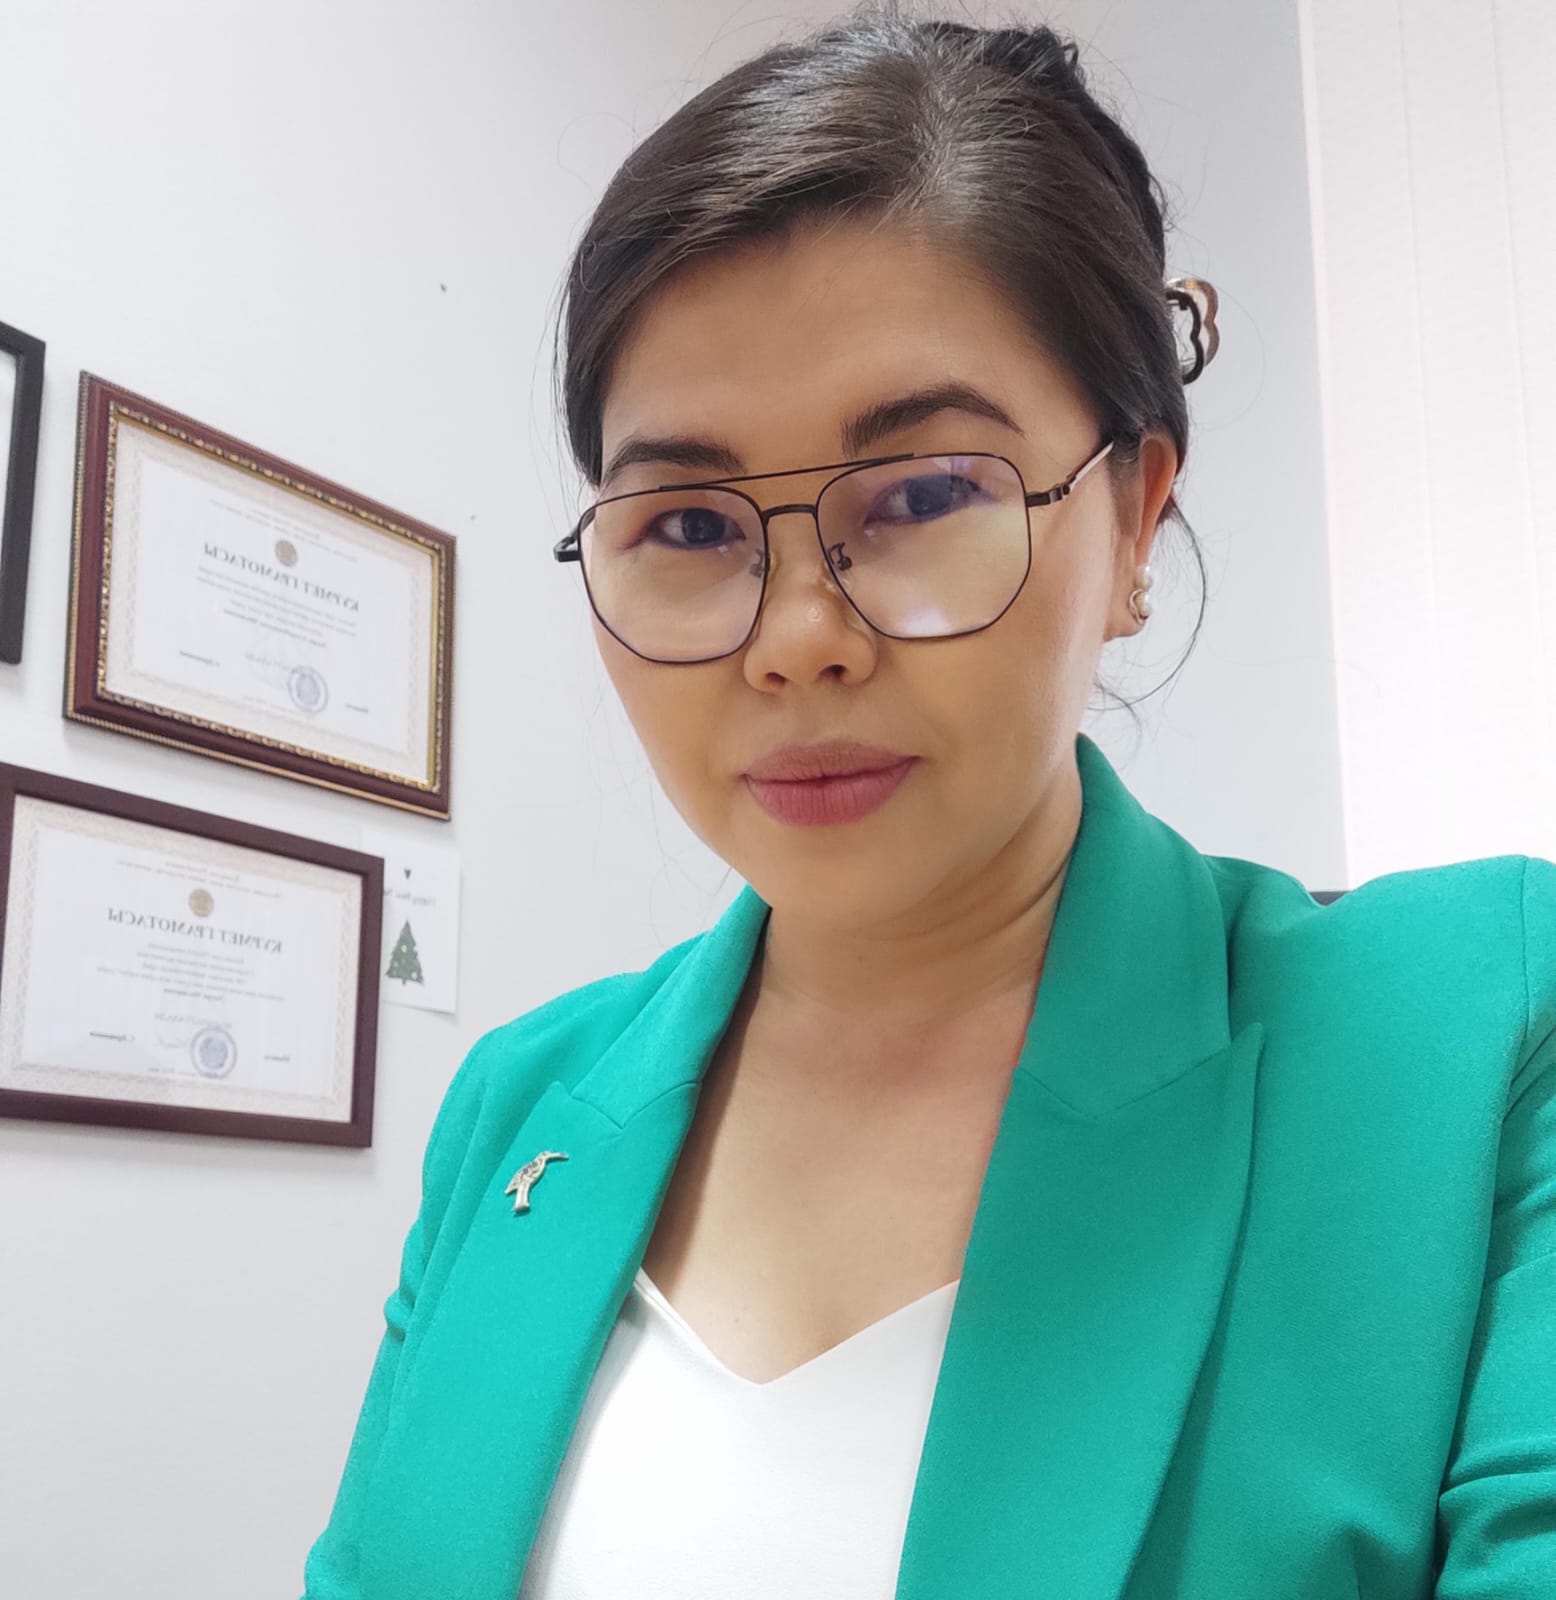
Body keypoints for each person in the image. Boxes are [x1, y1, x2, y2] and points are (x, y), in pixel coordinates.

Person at [300, 8, 1556, 1598]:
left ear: (1135, 518)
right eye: (688, 526)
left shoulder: (1472, 1033)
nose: (795, 641)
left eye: (922, 496)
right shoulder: (520, 1105)